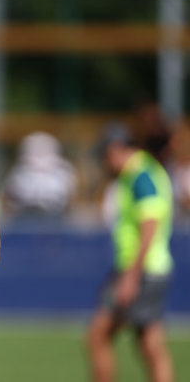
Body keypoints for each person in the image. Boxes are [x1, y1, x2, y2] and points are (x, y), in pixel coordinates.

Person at [86, 123, 175, 382]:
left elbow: (150, 226)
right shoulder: (139, 172)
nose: (104, 162)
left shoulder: (140, 175)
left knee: (98, 335)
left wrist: (131, 276)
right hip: (148, 268)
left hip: (141, 270)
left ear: (115, 150)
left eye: (104, 154)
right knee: (150, 343)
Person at [2, 131, 77, 224]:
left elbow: (70, 205)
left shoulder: (63, 174)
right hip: (24, 222)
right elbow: (8, 204)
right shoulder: (18, 175)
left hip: (56, 223)